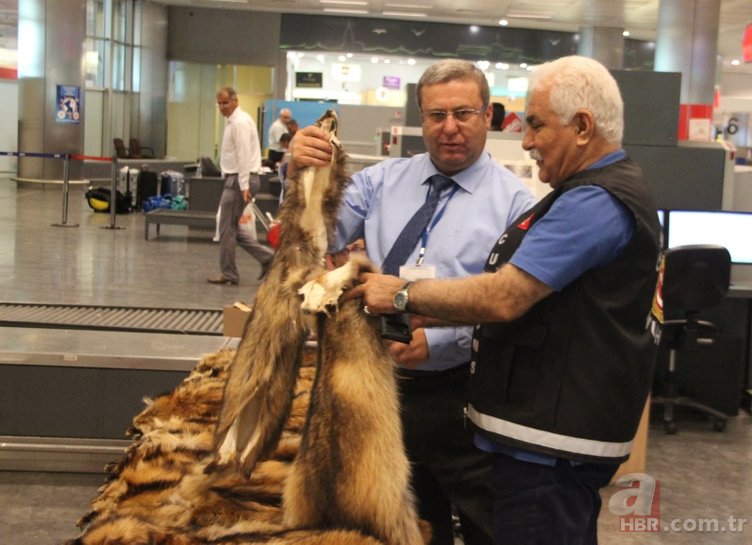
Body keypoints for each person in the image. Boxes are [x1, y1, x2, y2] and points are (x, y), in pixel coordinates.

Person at [346, 55, 661, 545]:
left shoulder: (592, 201)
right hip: (506, 427)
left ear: (581, 126)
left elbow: (506, 297)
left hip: (547, 445)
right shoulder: (587, 192)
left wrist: (404, 295)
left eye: (535, 125)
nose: (528, 141)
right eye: (435, 115)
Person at [288, 59, 535, 545]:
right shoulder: (381, 182)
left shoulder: (515, 205)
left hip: (462, 396)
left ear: (489, 116)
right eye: (435, 116)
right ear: (420, 119)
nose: (449, 129)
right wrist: (300, 173)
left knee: (486, 521)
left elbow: (514, 305)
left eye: (463, 114)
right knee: (398, 523)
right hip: (377, 388)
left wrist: (441, 339)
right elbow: (315, 235)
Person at [207, 87, 274, 285]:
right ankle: (267, 258)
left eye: (225, 103)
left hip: (239, 180)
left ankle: (229, 274)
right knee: (230, 227)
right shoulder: (233, 123)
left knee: (226, 228)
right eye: (219, 103)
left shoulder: (240, 123)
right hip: (236, 179)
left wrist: (244, 184)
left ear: (235, 101)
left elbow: (244, 155)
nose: (221, 107)